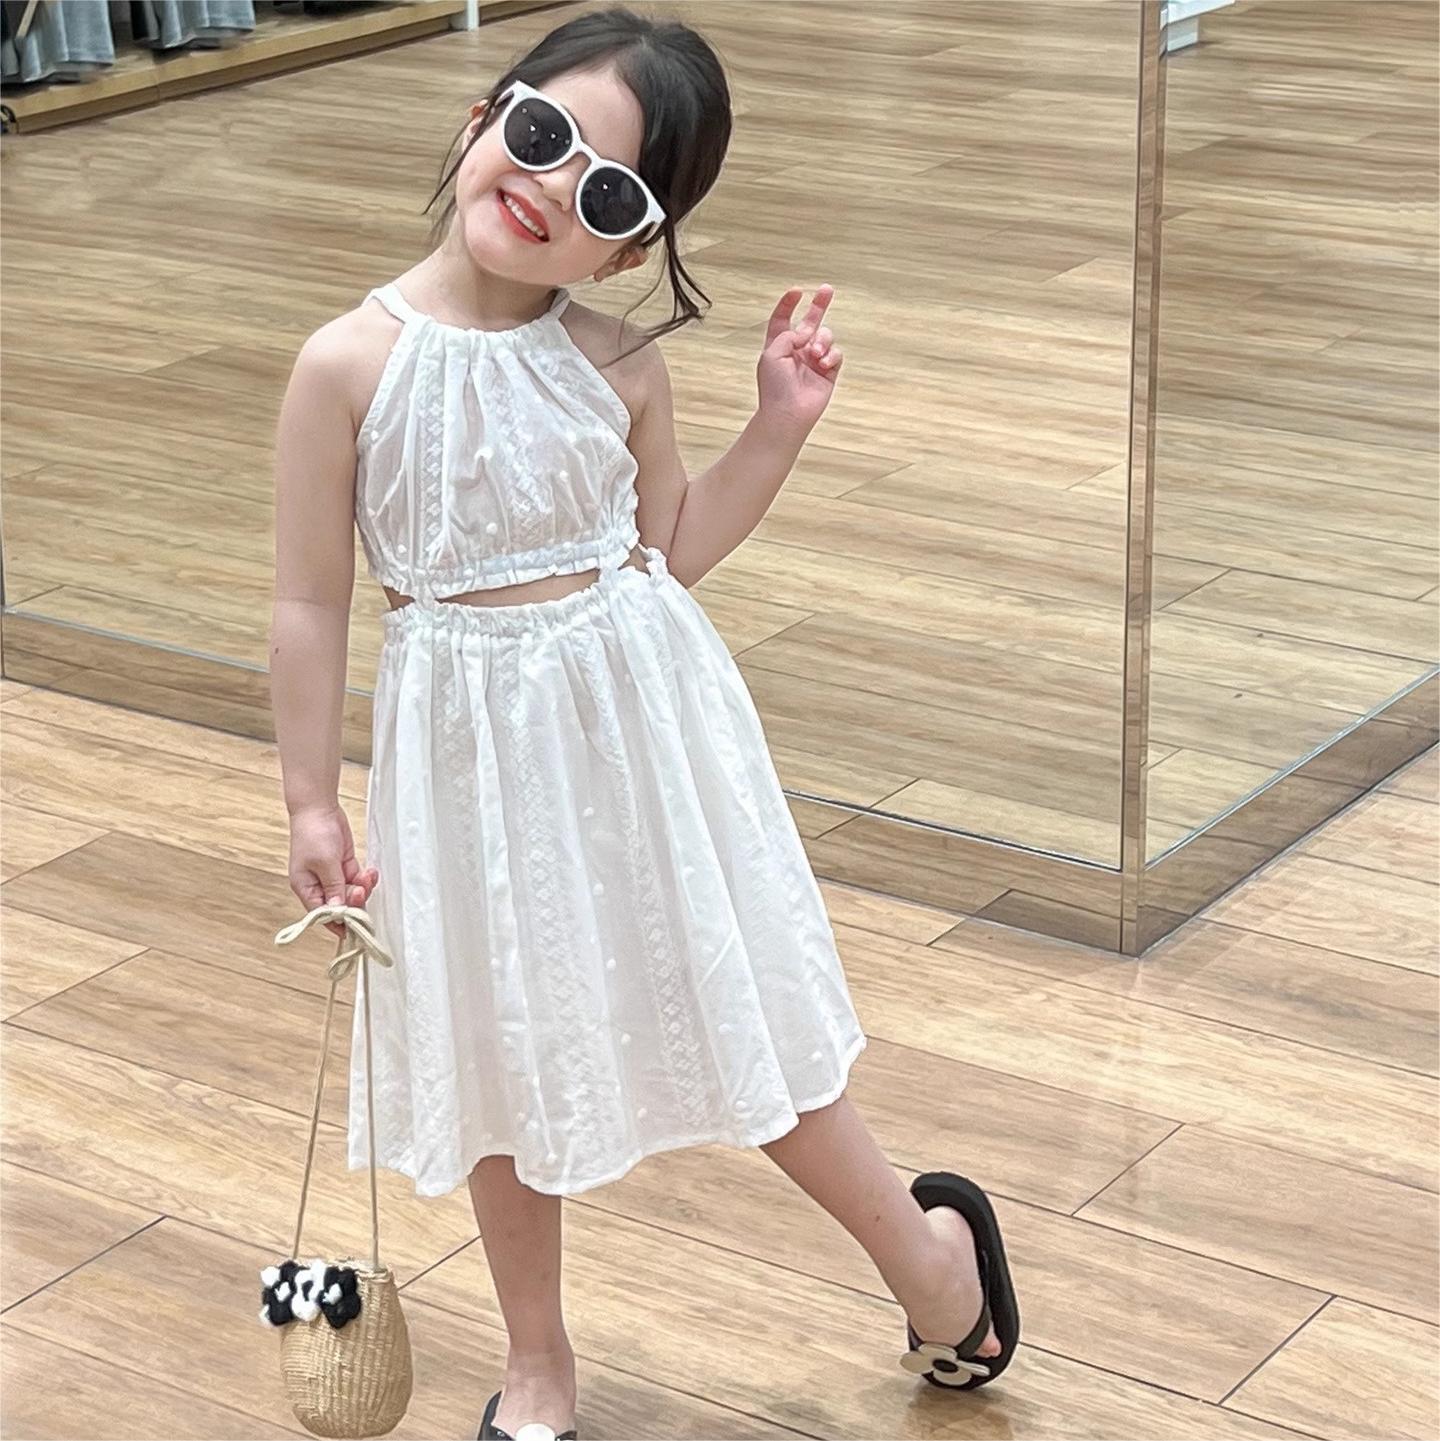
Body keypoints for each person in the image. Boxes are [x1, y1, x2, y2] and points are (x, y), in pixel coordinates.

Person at [268, 7, 1017, 1437]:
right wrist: (311, 798)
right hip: (464, 763)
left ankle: (933, 1263)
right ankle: (536, 1363)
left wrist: (777, 426)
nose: (551, 186)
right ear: (485, 113)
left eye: (608, 194)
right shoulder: (345, 366)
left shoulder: (618, 363)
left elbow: (664, 550)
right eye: (542, 134)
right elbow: (308, 601)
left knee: (737, 1014)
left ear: (626, 250)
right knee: (498, 1057)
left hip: (643, 742)